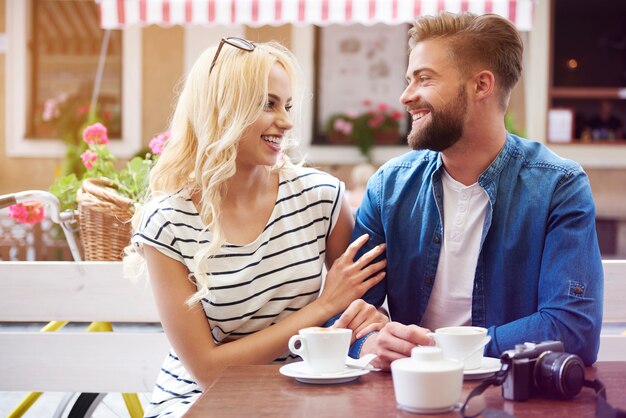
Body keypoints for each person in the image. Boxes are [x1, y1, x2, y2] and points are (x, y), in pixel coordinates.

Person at [126, 38, 387, 417]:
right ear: (223, 109)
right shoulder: (168, 223)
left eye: (287, 105)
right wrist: (323, 306)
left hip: (307, 390)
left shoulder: (320, 198)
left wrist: (368, 323)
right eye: (268, 104)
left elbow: (362, 305)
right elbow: (208, 369)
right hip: (200, 401)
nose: (286, 121)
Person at [336, 12, 603, 369]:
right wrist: (370, 345)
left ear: (481, 85)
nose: (406, 96)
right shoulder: (389, 188)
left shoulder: (559, 186)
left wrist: (436, 350)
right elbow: (343, 316)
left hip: (511, 397)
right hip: (408, 394)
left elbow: (573, 330)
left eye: (424, 79)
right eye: (408, 80)